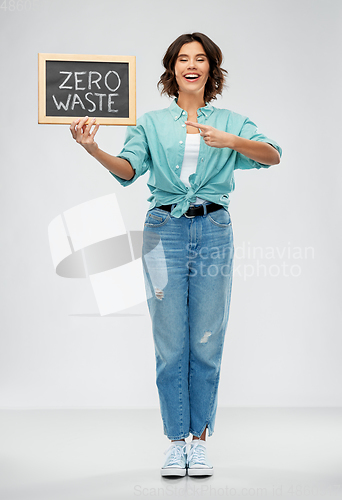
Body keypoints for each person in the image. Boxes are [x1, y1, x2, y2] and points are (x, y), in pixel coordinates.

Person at [70, 32, 282, 477]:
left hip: (214, 229)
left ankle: (200, 440)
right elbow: (129, 171)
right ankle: (175, 441)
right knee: (170, 344)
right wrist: (93, 149)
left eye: (200, 59)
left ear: (211, 69)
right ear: (172, 69)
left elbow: (272, 155)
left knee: (206, 338)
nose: (192, 65)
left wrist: (231, 141)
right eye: (183, 59)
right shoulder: (149, 122)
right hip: (162, 229)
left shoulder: (231, 120)